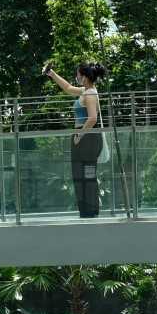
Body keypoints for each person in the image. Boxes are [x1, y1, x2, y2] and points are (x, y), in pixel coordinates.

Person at [44, 62, 106, 218]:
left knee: (86, 174)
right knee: (81, 174)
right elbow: (68, 88)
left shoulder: (90, 94)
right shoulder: (86, 91)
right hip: (84, 136)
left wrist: (79, 135)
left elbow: (92, 118)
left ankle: (90, 211)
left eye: (78, 74)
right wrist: (52, 73)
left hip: (86, 137)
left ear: (84, 76)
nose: (76, 76)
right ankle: (87, 211)